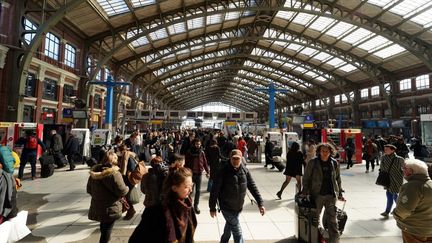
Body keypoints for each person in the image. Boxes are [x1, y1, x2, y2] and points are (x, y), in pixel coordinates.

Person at [129, 164, 197, 243]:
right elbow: (135, 240)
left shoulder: (188, 207)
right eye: (187, 187)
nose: (191, 190)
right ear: (174, 188)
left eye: (191, 185)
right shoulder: (155, 212)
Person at [209, 149, 265, 243]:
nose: (235, 161)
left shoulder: (245, 171)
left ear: (241, 159)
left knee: (229, 228)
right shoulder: (223, 171)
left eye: (237, 159)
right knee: (237, 232)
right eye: (233, 159)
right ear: (230, 159)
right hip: (226, 207)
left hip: (238, 207)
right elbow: (214, 191)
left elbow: (253, 187)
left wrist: (260, 203)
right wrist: (212, 207)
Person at [302, 142, 344, 243]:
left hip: (331, 195)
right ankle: (315, 239)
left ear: (330, 152)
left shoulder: (334, 163)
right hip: (317, 195)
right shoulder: (313, 162)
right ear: (319, 152)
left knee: (332, 220)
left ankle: (335, 240)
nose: (324, 153)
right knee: (315, 219)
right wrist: (305, 191)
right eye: (322, 151)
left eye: (327, 151)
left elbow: (337, 179)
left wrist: (340, 193)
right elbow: (306, 177)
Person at [87, 150, 129, 243]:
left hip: (97, 205)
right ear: (113, 161)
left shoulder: (94, 172)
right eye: (116, 158)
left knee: (104, 226)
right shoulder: (114, 173)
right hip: (111, 207)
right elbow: (122, 191)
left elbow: (89, 190)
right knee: (107, 229)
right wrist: (127, 188)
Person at [393, 159, 432, 243]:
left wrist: (396, 215)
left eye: (404, 168)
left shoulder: (412, 187)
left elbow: (404, 210)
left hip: (414, 229)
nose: (403, 170)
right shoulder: (430, 184)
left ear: (411, 171)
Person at [185, 138, 210, 214]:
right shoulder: (189, 152)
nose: (198, 146)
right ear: (193, 144)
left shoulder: (201, 152)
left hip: (199, 174)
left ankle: (196, 206)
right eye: (196, 144)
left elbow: (205, 162)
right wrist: (186, 172)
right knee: (190, 191)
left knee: (198, 191)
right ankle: (188, 205)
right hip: (191, 174)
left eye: (199, 144)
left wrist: (208, 171)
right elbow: (186, 163)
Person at [379, 144, 404, 217]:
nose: (385, 151)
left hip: (397, 180)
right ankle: (387, 211)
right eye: (385, 149)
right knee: (389, 195)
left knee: (395, 196)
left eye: (387, 149)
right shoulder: (383, 158)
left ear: (392, 150)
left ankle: (400, 210)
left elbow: (404, 169)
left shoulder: (400, 159)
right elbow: (382, 168)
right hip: (388, 180)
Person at [117, 144, 138, 220]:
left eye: (118, 151)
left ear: (122, 151)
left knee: (126, 196)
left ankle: (131, 210)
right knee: (125, 196)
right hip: (126, 179)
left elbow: (132, 167)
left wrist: (126, 172)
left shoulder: (127, 157)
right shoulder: (126, 155)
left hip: (128, 180)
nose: (118, 152)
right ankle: (129, 210)